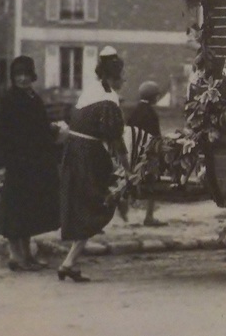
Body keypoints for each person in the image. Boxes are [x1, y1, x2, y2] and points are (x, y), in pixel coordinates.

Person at [58, 46, 128, 282]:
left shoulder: (90, 90)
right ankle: (69, 262)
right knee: (97, 203)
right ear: (111, 77)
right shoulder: (108, 99)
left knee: (84, 206)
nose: (123, 81)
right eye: (120, 77)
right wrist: (125, 162)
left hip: (75, 151)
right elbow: (114, 136)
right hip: (87, 156)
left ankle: (71, 263)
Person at [0, 56, 64, 271]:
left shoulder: (33, 97)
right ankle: (16, 257)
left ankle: (27, 255)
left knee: (28, 211)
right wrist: (1, 165)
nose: (22, 79)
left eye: (26, 74)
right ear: (13, 77)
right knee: (14, 211)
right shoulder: (6, 99)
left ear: (32, 76)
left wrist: (52, 130)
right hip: (15, 162)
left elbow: (38, 127)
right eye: (18, 75)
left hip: (34, 162)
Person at [126, 81, 165, 227]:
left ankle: (127, 216)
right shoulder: (151, 113)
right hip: (148, 154)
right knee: (151, 183)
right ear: (153, 97)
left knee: (131, 182)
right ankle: (149, 217)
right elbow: (156, 136)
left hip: (133, 152)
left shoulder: (134, 111)